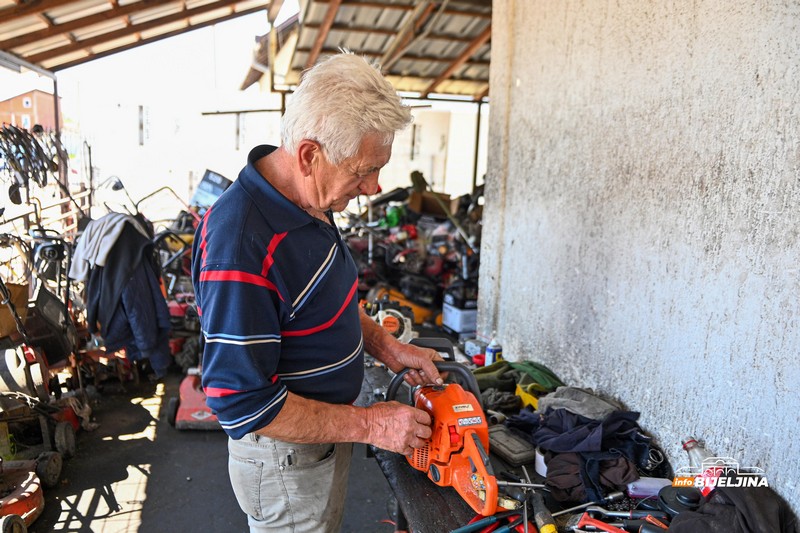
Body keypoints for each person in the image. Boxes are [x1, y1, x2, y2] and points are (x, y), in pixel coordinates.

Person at [191, 52, 444, 533]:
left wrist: (387, 346)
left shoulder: (309, 198)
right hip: (285, 460)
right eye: (364, 170)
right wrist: (372, 425)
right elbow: (240, 401)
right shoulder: (240, 242)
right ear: (309, 155)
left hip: (325, 435)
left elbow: (325, 297)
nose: (374, 187)